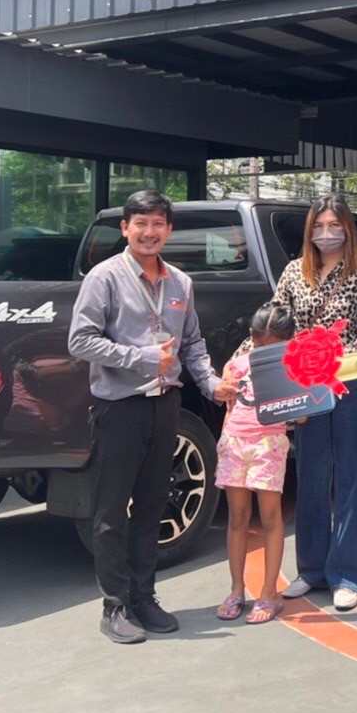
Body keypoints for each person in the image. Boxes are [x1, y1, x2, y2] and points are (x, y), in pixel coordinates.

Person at [68, 189, 222, 644]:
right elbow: (80, 341)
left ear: (169, 230)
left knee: (154, 505)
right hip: (120, 406)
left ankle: (144, 596)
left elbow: (191, 344)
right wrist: (141, 357)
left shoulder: (181, 283)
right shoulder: (104, 278)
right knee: (111, 510)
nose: (149, 232)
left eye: (157, 224)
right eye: (141, 224)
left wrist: (212, 385)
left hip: (166, 404)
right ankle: (114, 605)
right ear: (125, 229)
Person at [272, 194, 357, 612]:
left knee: (352, 477)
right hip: (306, 387)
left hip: (349, 384)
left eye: (334, 224)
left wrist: (333, 360)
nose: (326, 233)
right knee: (311, 475)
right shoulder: (293, 272)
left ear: (347, 228)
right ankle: (312, 569)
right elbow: (275, 323)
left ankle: (350, 574)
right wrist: (245, 360)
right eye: (318, 226)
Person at [215, 304, 296, 625]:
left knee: (271, 517)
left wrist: (297, 387)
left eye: (272, 348)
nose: (264, 354)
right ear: (251, 338)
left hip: (269, 444)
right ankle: (236, 589)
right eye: (259, 346)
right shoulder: (236, 364)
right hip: (235, 442)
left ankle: (269, 592)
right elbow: (227, 402)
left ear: (288, 341)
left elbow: (302, 415)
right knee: (237, 517)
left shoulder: (293, 366)